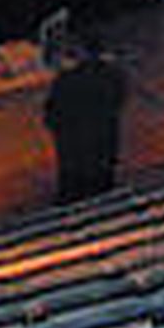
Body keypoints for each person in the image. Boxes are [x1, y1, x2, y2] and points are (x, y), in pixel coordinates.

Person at [42, 32, 127, 204]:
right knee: (102, 160)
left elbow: (52, 108)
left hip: (74, 132)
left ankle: (73, 197)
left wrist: (55, 124)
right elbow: (119, 97)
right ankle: (102, 193)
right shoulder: (112, 73)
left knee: (74, 164)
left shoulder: (67, 79)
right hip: (102, 126)